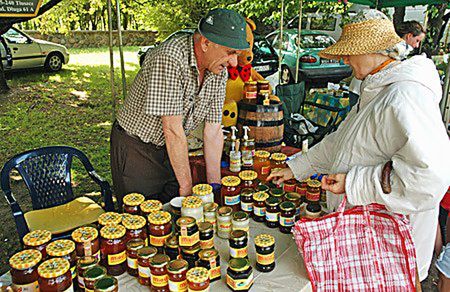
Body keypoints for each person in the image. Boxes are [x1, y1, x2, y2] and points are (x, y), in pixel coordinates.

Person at [268, 9, 450, 282]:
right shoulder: (379, 88)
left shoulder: (405, 95)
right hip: (372, 247)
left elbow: (430, 177)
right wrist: (297, 168)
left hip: (392, 253)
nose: (343, 59)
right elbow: (341, 143)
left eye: (349, 52)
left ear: (373, 50)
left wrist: (354, 184)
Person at [110, 8, 249, 208]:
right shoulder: (170, 57)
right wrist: (187, 190)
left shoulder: (218, 69)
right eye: (230, 52)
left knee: (175, 216)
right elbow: (172, 130)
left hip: (171, 147)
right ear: (205, 43)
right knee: (143, 217)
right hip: (137, 147)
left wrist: (215, 187)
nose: (234, 62)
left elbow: (214, 130)